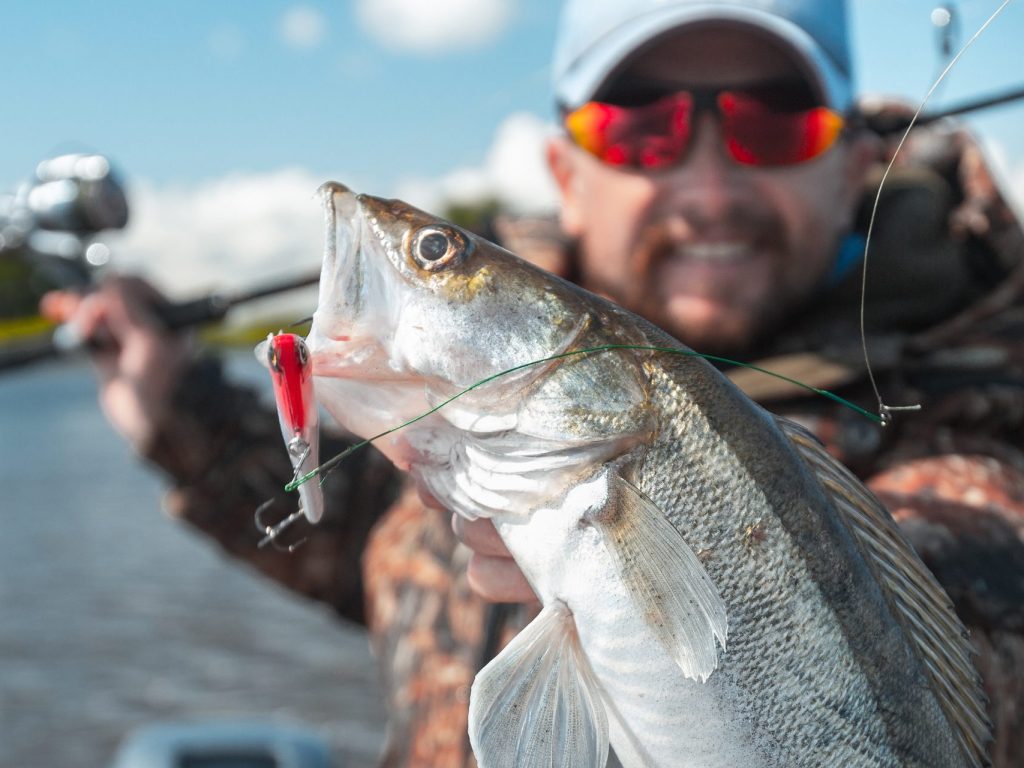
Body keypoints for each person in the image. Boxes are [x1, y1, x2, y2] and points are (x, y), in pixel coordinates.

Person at [41, 0, 1024, 765]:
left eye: (772, 124)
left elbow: (984, 571)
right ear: (564, 167)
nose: (710, 186)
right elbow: (353, 539)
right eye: (641, 127)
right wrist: (178, 409)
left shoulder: (979, 403)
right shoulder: (484, 431)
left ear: (854, 164)